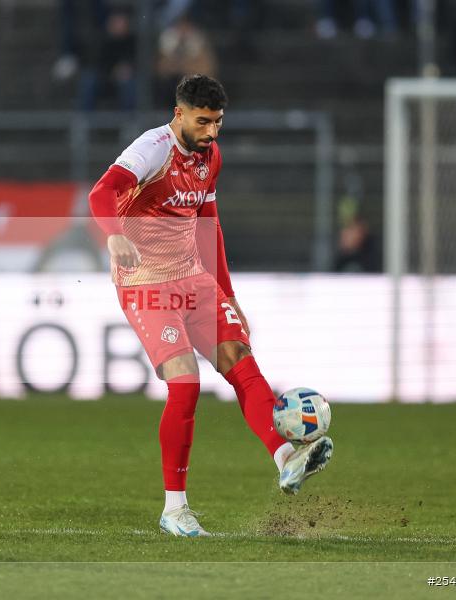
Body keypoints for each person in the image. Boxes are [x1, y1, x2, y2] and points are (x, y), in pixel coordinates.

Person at [88, 74, 333, 537]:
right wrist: (115, 235)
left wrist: (228, 293)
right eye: (203, 122)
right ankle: (175, 509)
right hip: (145, 282)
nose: (212, 131)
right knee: (186, 384)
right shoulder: (152, 149)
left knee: (240, 359)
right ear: (178, 113)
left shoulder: (210, 157)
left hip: (192, 276)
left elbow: (209, 224)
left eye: (218, 122)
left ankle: (287, 457)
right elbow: (101, 192)